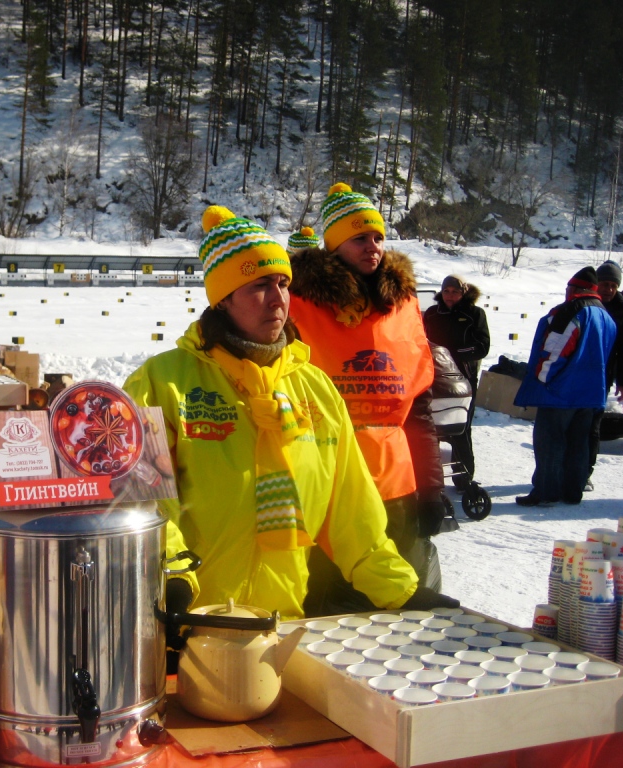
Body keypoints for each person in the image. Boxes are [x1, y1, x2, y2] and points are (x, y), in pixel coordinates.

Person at [123, 205, 458, 633]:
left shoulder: (315, 388)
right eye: (259, 285)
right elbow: (140, 496)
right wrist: (171, 576)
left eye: (283, 283)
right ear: (223, 297)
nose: (279, 298)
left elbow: (352, 510)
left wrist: (401, 590)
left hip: (280, 624)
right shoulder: (161, 381)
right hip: (185, 619)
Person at [286, 183, 448, 615]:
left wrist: (432, 487)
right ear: (334, 244)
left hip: (395, 483)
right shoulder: (298, 305)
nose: (372, 246)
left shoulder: (402, 305)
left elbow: (418, 412)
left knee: (392, 602)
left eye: (378, 236)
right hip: (326, 485)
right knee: (327, 608)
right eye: (359, 237)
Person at [513, 267, 617, 507]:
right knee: (578, 443)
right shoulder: (605, 315)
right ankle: (572, 491)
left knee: (550, 442)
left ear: (574, 289)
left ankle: (547, 492)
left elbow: (556, 349)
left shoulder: (571, 311)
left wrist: (543, 376)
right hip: (591, 392)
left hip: (561, 392)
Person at [422, 275, 491, 489]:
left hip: (463, 379)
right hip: (433, 377)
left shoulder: (474, 314)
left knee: (461, 427)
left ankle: (464, 477)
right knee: (430, 427)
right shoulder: (433, 313)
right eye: (446, 291)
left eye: (455, 292)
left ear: (463, 293)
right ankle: (429, 475)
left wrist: (451, 354)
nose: (450, 296)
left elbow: (482, 346)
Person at [586, 261, 623, 489]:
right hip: (578, 372)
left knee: (592, 426)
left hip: (603, 375)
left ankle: (586, 471)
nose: (609, 290)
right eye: (605, 284)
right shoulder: (584, 303)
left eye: (613, 286)